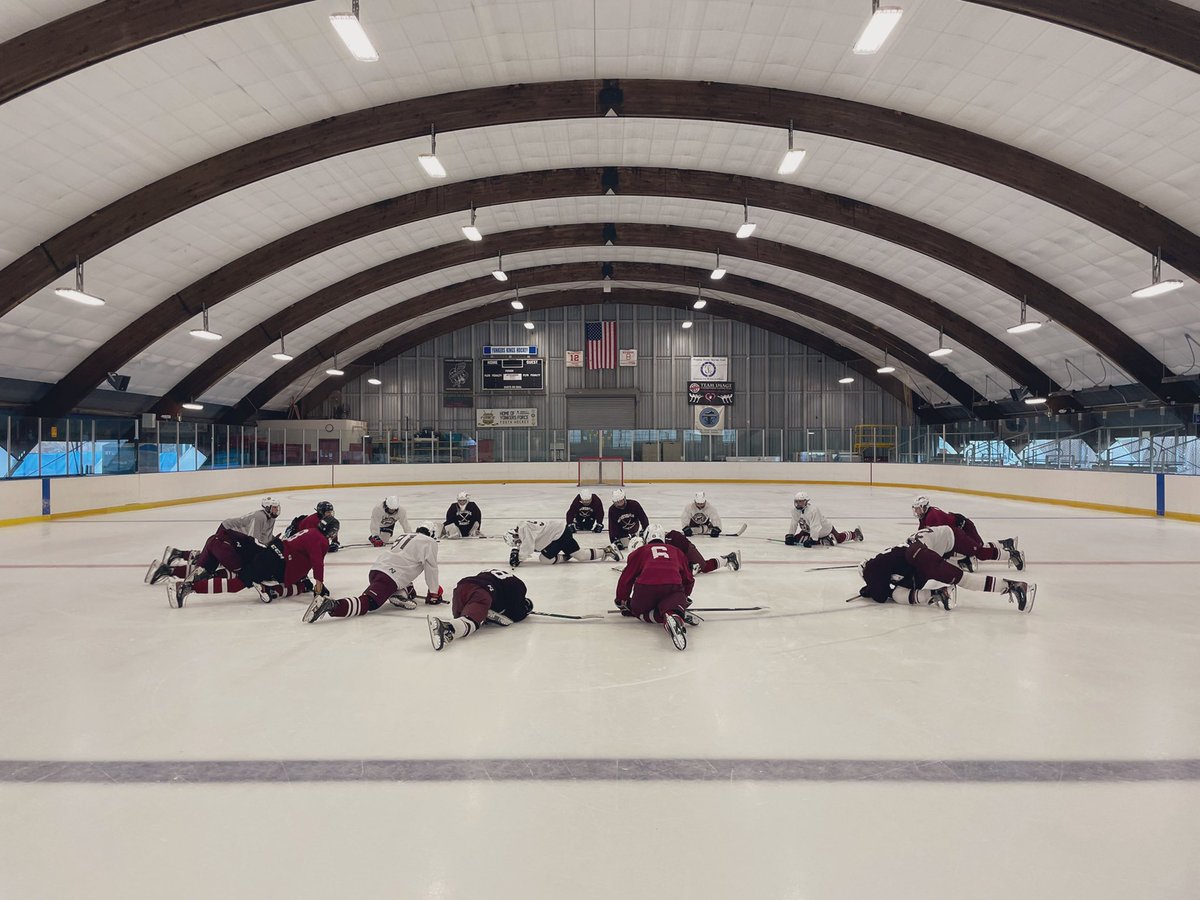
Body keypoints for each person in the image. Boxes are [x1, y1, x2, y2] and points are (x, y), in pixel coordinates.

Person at [167, 516, 338, 608]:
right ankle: (187, 588)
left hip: (272, 553)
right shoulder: (320, 539)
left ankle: (266, 587)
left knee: (245, 574)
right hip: (276, 561)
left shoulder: (311, 530)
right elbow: (317, 562)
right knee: (237, 584)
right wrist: (319, 584)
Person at [857, 525, 1035, 612]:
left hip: (924, 553)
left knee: (966, 574)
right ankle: (940, 593)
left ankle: (1015, 585)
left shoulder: (871, 569)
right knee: (897, 593)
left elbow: (880, 595)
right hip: (921, 557)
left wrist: (870, 588)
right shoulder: (883, 561)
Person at [304, 522, 442, 623]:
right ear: (432, 534)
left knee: (404, 589)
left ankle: (398, 593)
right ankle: (333, 606)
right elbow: (431, 568)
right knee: (369, 602)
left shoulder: (407, 535)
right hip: (390, 576)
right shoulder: (429, 542)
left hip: (377, 570)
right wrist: (434, 593)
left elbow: (405, 560)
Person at [146, 496, 281, 585]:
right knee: (212, 562)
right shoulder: (260, 517)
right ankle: (171, 563)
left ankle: (177, 555)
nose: (277, 510)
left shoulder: (269, 517)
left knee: (212, 560)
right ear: (268, 508)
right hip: (228, 533)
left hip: (236, 539)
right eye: (274, 507)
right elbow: (254, 540)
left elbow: (265, 537)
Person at [613, 524, 698, 651]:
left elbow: (626, 579)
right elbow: (688, 579)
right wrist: (683, 598)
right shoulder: (677, 551)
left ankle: (666, 615)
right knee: (671, 603)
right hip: (673, 587)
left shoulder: (640, 551)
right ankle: (675, 614)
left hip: (646, 588)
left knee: (640, 612)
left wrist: (622, 600)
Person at [427, 569, 533, 651]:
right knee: (469, 622)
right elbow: (516, 613)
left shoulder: (505, 578)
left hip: (463, 586)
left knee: (460, 617)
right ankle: (447, 628)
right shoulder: (520, 587)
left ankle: (471, 618)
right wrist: (525, 611)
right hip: (483, 592)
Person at [912, 495, 1024, 570]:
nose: (916, 511)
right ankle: (1006, 544)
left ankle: (1011, 553)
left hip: (963, 528)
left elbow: (937, 537)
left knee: (979, 550)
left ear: (925, 507)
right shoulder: (925, 515)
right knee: (976, 549)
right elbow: (923, 531)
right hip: (955, 533)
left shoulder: (932, 517)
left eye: (918, 509)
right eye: (915, 509)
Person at [505, 519, 622, 567]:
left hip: (559, 535)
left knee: (544, 559)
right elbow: (528, 544)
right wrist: (519, 552)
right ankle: (607, 550)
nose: (518, 543)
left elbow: (528, 547)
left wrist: (518, 557)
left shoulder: (523, 529)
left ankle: (565, 557)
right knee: (581, 556)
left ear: (514, 535)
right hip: (562, 531)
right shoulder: (523, 528)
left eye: (516, 542)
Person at [630, 529, 740, 574]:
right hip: (677, 548)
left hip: (685, 548)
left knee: (704, 567)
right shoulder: (649, 541)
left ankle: (729, 558)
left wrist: (688, 566)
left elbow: (673, 559)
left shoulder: (670, 540)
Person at [785, 491, 863, 546]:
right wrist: (790, 535)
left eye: (800, 502)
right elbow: (793, 523)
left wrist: (813, 540)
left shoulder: (813, 510)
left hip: (825, 530)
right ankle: (823, 540)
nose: (798, 504)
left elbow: (815, 526)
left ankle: (855, 534)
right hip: (809, 531)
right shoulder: (794, 510)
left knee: (839, 538)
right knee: (796, 539)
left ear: (806, 502)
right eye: (797, 501)